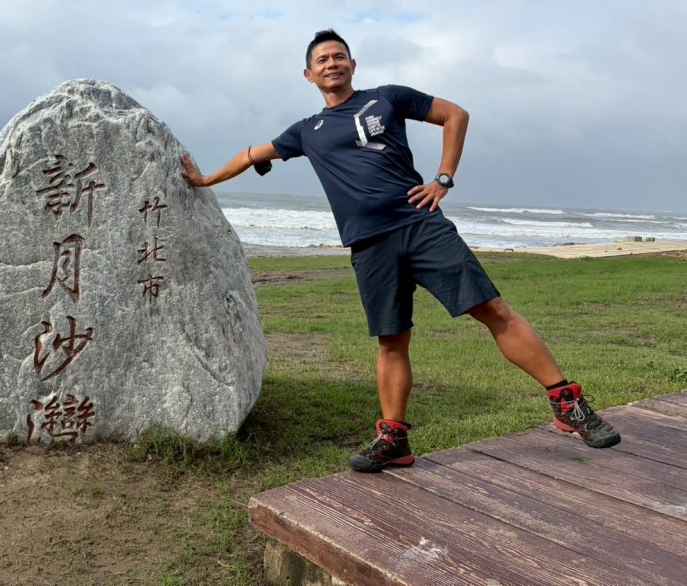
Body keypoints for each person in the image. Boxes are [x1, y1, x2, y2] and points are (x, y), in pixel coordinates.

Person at [180, 28, 621, 473]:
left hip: (420, 225)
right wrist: (204, 180)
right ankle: (394, 439)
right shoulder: (306, 131)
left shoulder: (387, 98)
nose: (332, 63)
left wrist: (443, 179)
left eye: (339, 56)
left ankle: (567, 403)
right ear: (308, 75)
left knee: (492, 310)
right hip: (369, 245)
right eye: (322, 60)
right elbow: (251, 154)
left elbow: (455, 115)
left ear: (353, 65)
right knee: (391, 340)